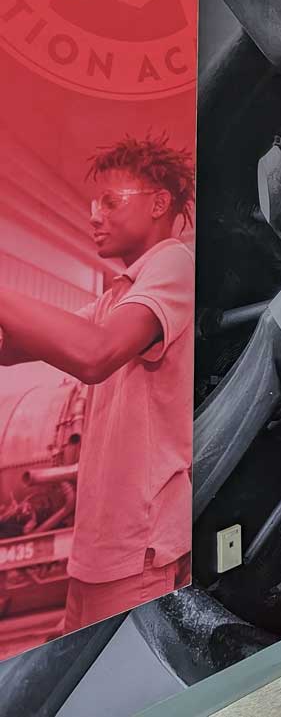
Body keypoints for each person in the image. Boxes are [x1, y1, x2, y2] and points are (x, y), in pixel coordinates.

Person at [0, 134, 194, 632]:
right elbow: (24, 346)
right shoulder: (117, 297)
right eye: (93, 204)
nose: (94, 215)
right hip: (96, 554)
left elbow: (94, 354)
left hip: (137, 552)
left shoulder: (174, 264)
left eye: (110, 201)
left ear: (158, 204)